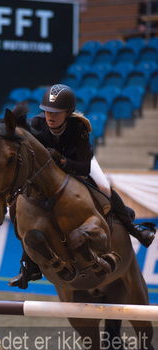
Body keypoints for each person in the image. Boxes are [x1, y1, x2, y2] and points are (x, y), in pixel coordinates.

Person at [9, 84, 156, 289]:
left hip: (78, 163)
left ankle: (135, 230)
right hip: (51, 173)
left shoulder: (78, 128)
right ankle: (28, 264)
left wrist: (62, 162)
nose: (50, 116)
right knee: (22, 204)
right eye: (47, 111)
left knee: (104, 186)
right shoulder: (37, 124)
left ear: (67, 113)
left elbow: (84, 167)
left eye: (56, 113)